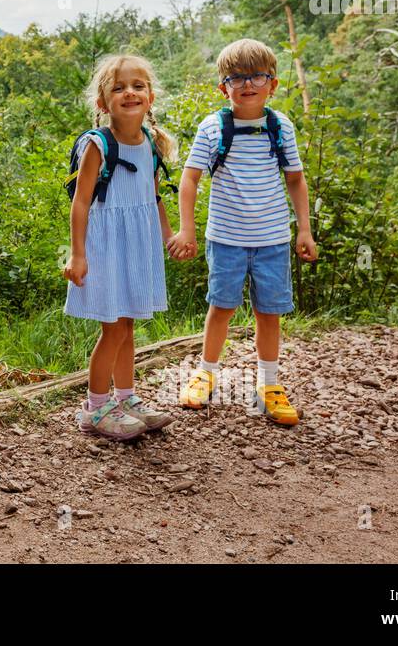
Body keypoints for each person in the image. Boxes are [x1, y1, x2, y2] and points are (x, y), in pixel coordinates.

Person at [167, 39, 318, 425]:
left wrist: (305, 230)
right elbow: (190, 179)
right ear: (224, 87)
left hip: (272, 239)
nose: (247, 84)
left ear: (273, 84)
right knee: (222, 307)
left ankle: (269, 385)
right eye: (237, 78)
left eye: (256, 76)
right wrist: (187, 230)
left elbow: (296, 180)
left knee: (270, 313)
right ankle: (206, 374)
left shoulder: (280, 126)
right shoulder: (213, 127)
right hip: (227, 238)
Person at [63, 53, 179, 440]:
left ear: (150, 96)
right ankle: (95, 409)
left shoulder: (151, 143)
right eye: (119, 87)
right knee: (112, 329)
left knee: (128, 326)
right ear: (102, 103)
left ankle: (126, 399)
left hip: (137, 243)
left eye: (138, 85)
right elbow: (80, 203)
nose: (129, 92)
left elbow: (154, 197)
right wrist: (78, 254)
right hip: (106, 247)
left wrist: (168, 236)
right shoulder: (98, 145)